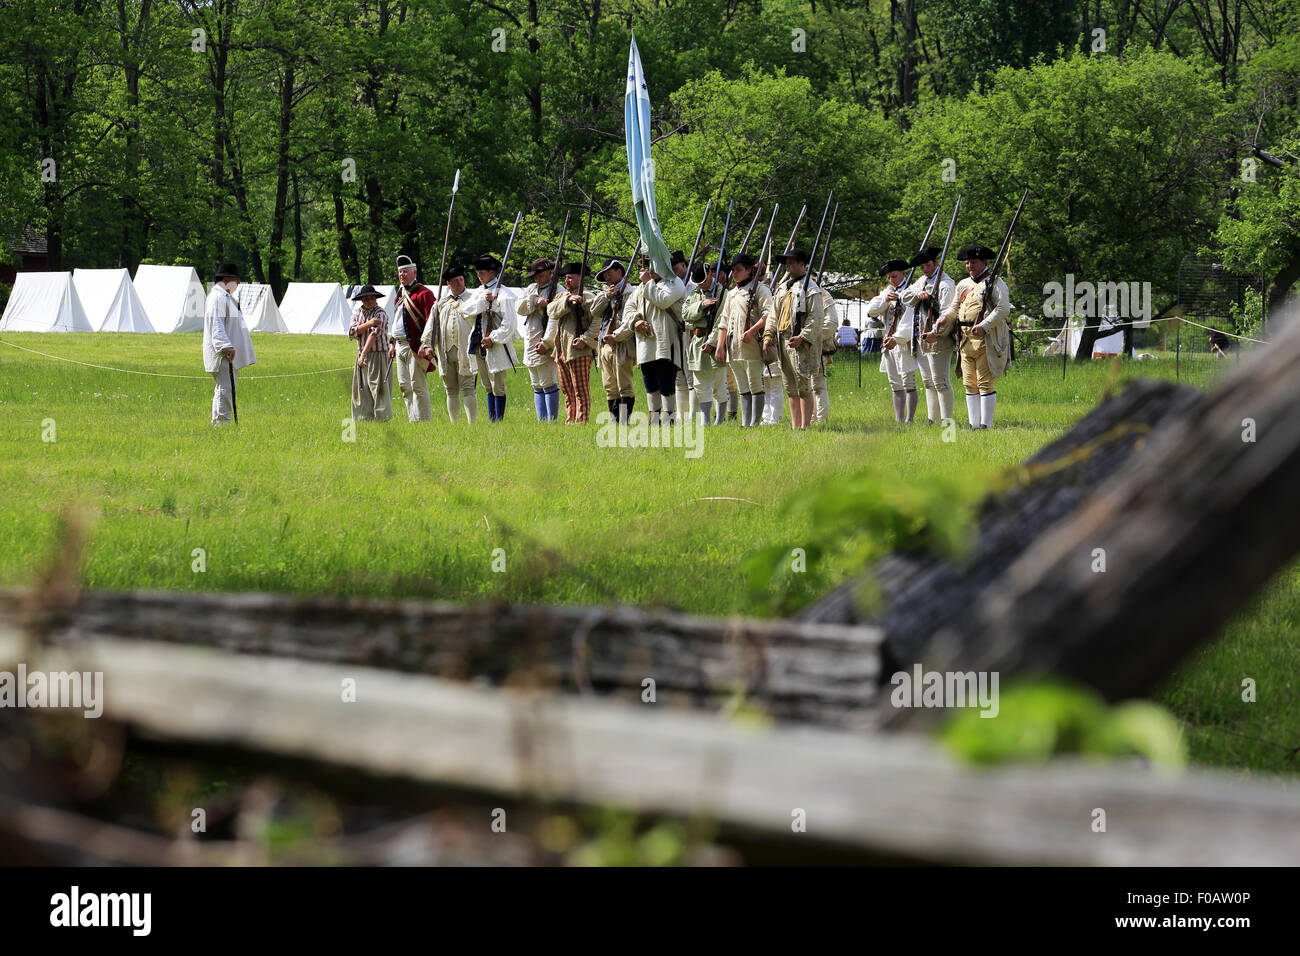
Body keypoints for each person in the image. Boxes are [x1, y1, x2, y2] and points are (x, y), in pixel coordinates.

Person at [930, 244, 1011, 428]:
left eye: (973, 262)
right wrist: (944, 318)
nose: (969, 266)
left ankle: (985, 425)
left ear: (983, 262)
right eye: (967, 263)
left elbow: (1003, 309)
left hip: (986, 338)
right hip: (965, 338)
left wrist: (984, 325)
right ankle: (974, 425)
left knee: (985, 383)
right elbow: (954, 308)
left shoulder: (996, 282)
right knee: (969, 383)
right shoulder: (963, 284)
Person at [762, 247, 824, 430]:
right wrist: (768, 335)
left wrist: (803, 336)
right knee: (790, 387)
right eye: (787, 262)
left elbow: (816, 317)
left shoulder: (811, 288)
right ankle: (796, 427)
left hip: (800, 342)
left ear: (803, 264)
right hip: (783, 341)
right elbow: (774, 314)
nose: (788, 265)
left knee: (803, 386)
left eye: (793, 262)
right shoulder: (782, 288)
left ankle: (805, 426)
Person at [629, 254, 688, 426]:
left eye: (653, 265)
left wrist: (648, 283)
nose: (649, 269)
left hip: (665, 340)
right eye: (648, 265)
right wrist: (636, 321)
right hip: (645, 343)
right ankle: (654, 420)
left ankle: (669, 420)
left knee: (665, 381)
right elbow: (629, 309)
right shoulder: (641, 288)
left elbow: (663, 301)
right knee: (650, 382)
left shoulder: (674, 282)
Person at [461, 253, 519, 423]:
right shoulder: (479, 292)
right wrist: (484, 302)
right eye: (478, 273)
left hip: (496, 346)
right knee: (487, 386)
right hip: (478, 343)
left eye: (483, 273)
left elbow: (509, 324)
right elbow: (467, 310)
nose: (479, 276)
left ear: (492, 272)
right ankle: (491, 419)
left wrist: (492, 338)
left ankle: (498, 421)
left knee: (497, 386)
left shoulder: (504, 294)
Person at [718, 252, 773, 428]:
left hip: (752, 345)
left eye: (738, 269)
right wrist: (720, 345)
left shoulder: (760, 290)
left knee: (755, 383)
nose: (734, 273)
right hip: (734, 347)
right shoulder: (731, 293)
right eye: (733, 270)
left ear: (749, 270)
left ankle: (754, 423)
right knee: (743, 386)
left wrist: (752, 331)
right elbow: (724, 321)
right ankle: (745, 423)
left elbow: (768, 315)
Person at [544, 262, 600, 424]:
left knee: (580, 391)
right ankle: (571, 420)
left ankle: (582, 421)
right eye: (566, 278)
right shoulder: (562, 297)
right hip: (562, 349)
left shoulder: (589, 297)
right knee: (567, 391)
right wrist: (569, 301)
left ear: (580, 278)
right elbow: (551, 311)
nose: (566, 281)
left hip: (579, 350)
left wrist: (585, 340)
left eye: (570, 277)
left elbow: (597, 322)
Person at [421, 265, 477, 423]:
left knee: (468, 388)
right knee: (451, 390)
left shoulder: (473, 300)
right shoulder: (440, 304)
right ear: (448, 284)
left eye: (461, 279)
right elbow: (430, 326)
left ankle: (472, 424)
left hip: (466, 351)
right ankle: (455, 423)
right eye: (455, 281)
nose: (459, 283)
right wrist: (427, 345)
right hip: (446, 352)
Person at [909, 246, 959, 425]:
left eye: (928, 265)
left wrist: (936, 334)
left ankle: (947, 421)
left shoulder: (945, 284)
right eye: (922, 267)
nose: (925, 269)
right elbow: (905, 296)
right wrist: (918, 293)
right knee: (928, 382)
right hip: (922, 337)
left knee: (940, 381)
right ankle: (932, 419)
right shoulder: (921, 281)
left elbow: (949, 314)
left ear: (936, 263)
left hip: (939, 338)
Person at [202, 263, 255, 426]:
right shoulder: (217, 298)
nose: (238, 283)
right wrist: (225, 346)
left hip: (227, 354)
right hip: (223, 355)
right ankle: (221, 423)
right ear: (226, 280)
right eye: (236, 280)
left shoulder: (223, 297)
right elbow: (216, 324)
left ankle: (219, 422)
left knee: (224, 389)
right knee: (225, 390)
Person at [867, 258, 919, 424]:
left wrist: (897, 339)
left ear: (903, 274)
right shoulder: (886, 293)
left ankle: (909, 420)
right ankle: (899, 419)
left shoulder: (911, 291)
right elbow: (872, 310)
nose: (891, 280)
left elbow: (910, 320)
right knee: (895, 383)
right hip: (888, 341)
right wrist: (886, 300)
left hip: (904, 343)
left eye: (894, 276)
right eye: (889, 277)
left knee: (908, 382)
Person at [680, 261, 727, 426]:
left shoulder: (722, 292)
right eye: (700, 282)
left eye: (705, 281)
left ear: (711, 275)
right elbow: (685, 313)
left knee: (719, 385)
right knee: (700, 386)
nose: (704, 284)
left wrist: (713, 341)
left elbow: (721, 319)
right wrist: (702, 304)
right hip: (697, 341)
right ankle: (706, 421)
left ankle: (719, 421)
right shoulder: (695, 293)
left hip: (714, 343)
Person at [390, 254, 436, 422]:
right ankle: (412, 419)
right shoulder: (400, 293)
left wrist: (427, 344)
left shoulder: (424, 293)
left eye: (406, 272)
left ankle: (422, 421)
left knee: (418, 385)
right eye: (400, 272)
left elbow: (433, 322)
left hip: (416, 346)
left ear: (414, 273)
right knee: (404, 386)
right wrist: (392, 342)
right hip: (400, 344)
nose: (402, 275)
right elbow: (396, 320)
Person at [592, 258, 637, 424]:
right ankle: (614, 421)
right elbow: (594, 311)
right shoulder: (606, 293)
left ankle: (624, 422)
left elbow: (630, 322)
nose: (607, 277)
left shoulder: (631, 293)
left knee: (624, 386)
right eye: (605, 275)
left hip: (622, 344)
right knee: (610, 387)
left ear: (619, 272)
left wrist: (616, 336)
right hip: (604, 345)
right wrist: (606, 296)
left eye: (609, 273)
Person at [516, 258, 561, 421]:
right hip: (531, 340)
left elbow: (556, 320)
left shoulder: (558, 290)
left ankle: (552, 420)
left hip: (546, 341)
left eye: (540, 275)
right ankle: (541, 420)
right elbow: (519, 308)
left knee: (548, 382)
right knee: (536, 385)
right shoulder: (531, 289)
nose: (537, 279)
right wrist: (535, 301)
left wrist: (546, 342)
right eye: (535, 276)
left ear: (550, 272)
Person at [348, 285, 393, 421]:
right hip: (362, 354)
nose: (369, 301)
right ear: (361, 300)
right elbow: (351, 332)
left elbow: (373, 335)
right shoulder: (357, 312)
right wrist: (368, 324)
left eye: (372, 298)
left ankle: (382, 418)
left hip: (377, 354)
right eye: (366, 298)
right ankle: (363, 418)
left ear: (376, 298)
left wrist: (363, 355)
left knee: (379, 387)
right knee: (362, 387)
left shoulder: (381, 313)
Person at [670, 250, 693, 421]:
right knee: (679, 376)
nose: (673, 272)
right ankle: (681, 416)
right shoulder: (671, 285)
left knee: (691, 375)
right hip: (675, 332)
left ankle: (693, 415)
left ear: (684, 265)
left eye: (675, 268)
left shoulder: (695, 284)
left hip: (691, 333)